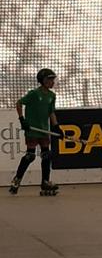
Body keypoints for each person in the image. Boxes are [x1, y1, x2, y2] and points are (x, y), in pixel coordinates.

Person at [10, 68, 60, 196]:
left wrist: (56, 126)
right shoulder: (34, 94)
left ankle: (45, 182)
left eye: (53, 80)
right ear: (43, 80)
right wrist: (22, 119)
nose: (52, 82)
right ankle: (17, 180)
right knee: (30, 156)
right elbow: (19, 103)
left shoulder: (52, 96)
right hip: (32, 129)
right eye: (50, 79)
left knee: (46, 155)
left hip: (44, 129)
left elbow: (51, 112)